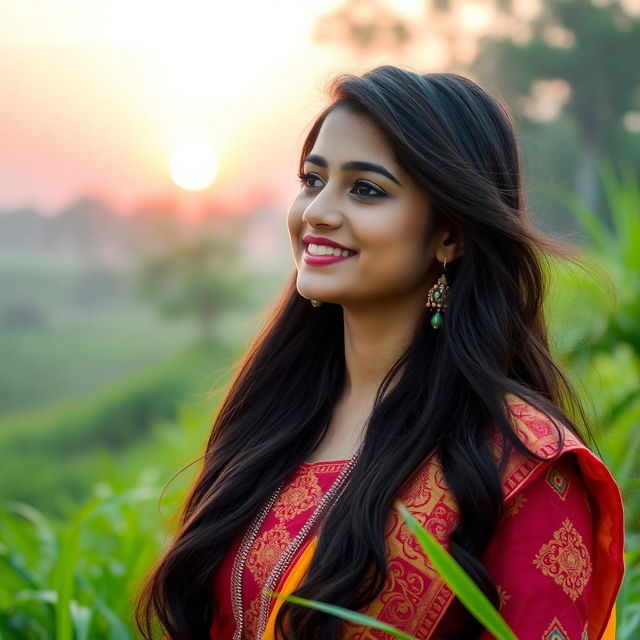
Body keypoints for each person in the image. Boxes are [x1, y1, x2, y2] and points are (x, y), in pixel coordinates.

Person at [135, 66, 624, 640]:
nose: (317, 211)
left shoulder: (519, 466)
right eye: (312, 180)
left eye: (365, 189)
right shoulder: (271, 421)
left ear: (450, 235)